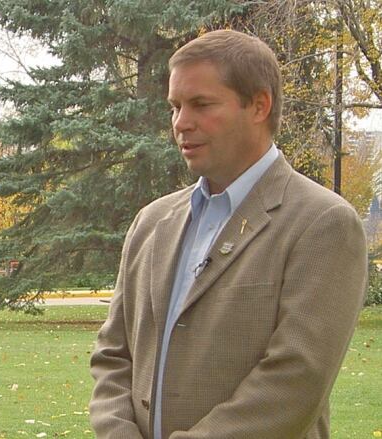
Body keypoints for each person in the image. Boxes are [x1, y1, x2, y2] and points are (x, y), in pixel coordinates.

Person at [89, 29, 367, 439]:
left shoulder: (322, 223)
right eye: (175, 106)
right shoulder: (151, 222)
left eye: (201, 104)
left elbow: (294, 383)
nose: (181, 123)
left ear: (259, 105)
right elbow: (113, 355)